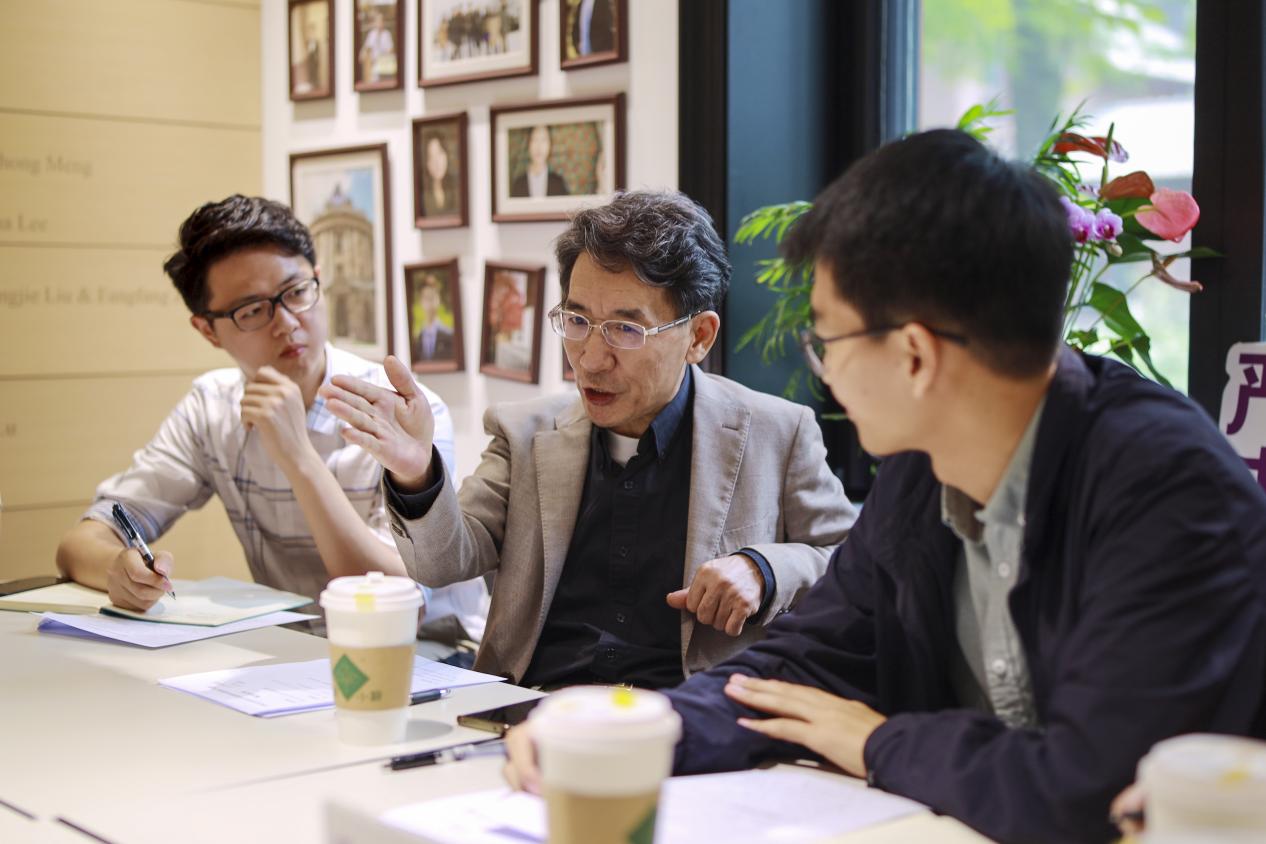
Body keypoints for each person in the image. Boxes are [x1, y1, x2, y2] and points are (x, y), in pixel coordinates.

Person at [504, 133, 1266, 843]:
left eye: (826, 339)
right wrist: (639, 731)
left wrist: (877, 742)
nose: (823, 369)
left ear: (914, 357)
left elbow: (1091, 787)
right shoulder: (922, 467)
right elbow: (802, 664)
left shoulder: (1166, 489)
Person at [320, 190, 856, 689]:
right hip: (531, 709)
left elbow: (849, 559)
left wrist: (764, 569)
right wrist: (417, 472)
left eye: (626, 329)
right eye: (577, 320)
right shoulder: (525, 433)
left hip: (691, 715)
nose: (591, 359)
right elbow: (443, 563)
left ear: (699, 336)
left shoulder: (775, 432)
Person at [54, 195, 488, 644]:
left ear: (318, 280)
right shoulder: (210, 407)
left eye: (297, 292)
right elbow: (78, 545)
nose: (286, 323)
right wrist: (118, 570)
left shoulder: (401, 411)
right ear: (207, 330)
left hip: (432, 655)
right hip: (297, 654)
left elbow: (395, 606)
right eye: (252, 310)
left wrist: (298, 456)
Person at [509, 125, 568, 198]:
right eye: (535, 140)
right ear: (528, 144)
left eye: (543, 140)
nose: (539, 147)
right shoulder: (518, 184)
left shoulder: (558, 183)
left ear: (550, 145)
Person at [412, 274, 455, 363]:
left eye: (432, 298)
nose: (429, 303)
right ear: (421, 301)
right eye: (426, 298)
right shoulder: (417, 339)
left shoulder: (449, 335)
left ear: (438, 299)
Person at [421, 133, 459, 218]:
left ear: (446, 154)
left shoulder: (457, 187)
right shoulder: (421, 193)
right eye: (431, 156)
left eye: (439, 153)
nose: (436, 162)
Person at [357, 8, 395, 84]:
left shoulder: (386, 34)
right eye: (378, 21)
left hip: (385, 63)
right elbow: (367, 47)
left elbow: (391, 49)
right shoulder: (372, 34)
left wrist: (387, 55)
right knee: (375, 81)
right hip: (375, 63)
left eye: (381, 21)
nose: (380, 23)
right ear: (375, 22)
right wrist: (362, 54)